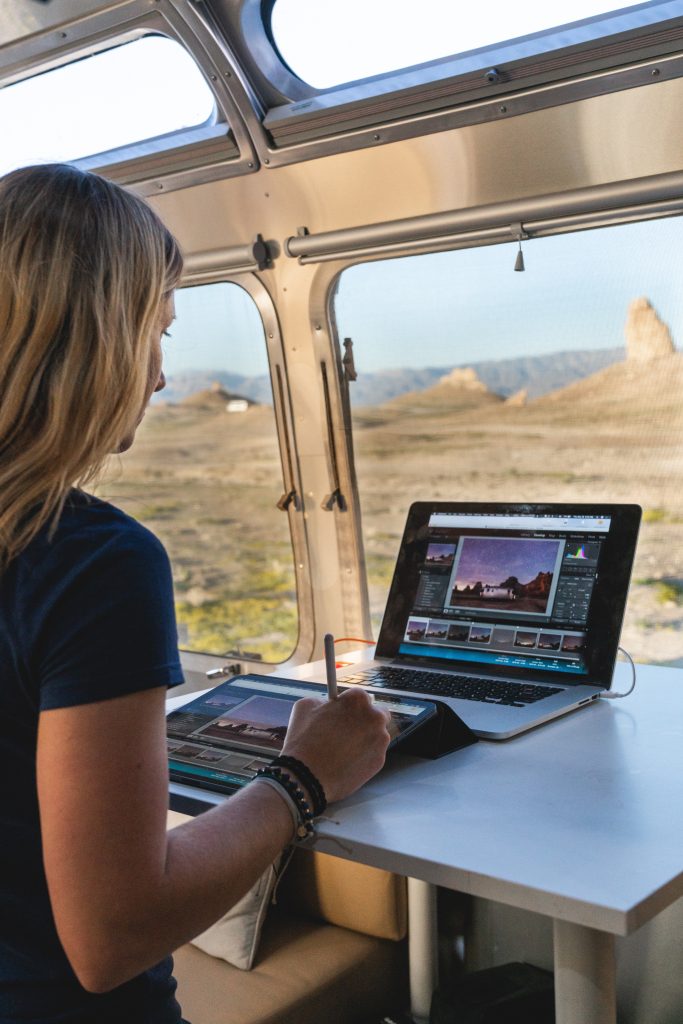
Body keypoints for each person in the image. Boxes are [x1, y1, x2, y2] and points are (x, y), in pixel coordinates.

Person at [0, 163, 391, 1024]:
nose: (159, 375)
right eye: (157, 332)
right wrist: (305, 776)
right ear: (93, 338)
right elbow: (111, 936)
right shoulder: (91, 561)